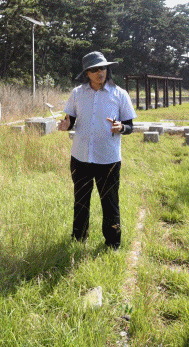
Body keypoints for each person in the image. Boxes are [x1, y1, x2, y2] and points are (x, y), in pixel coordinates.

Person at [57, 51, 136, 250]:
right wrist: (66, 125)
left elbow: (129, 126)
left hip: (108, 159)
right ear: (87, 73)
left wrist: (121, 128)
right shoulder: (77, 93)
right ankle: (78, 239)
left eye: (102, 68)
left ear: (107, 69)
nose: (99, 72)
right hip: (80, 156)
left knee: (110, 202)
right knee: (81, 201)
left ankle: (113, 243)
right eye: (94, 69)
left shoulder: (119, 94)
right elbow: (71, 120)